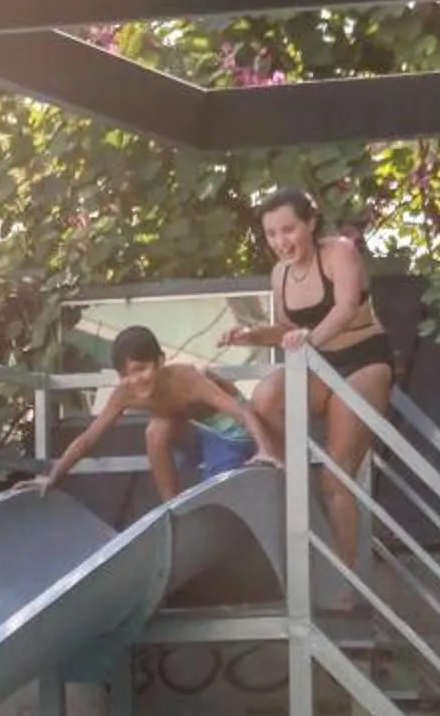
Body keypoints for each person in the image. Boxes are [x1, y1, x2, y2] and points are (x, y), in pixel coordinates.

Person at [226, 186, 395, 567]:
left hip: (363, 361)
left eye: (288, 230)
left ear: (311, 223)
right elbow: (287, 328)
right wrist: (251, 334)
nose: (280, 242)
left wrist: (309, 343)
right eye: (271, 234)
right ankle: (291, 482)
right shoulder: (279, 274)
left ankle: (346, 584)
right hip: (318, 364)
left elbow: (348, 307)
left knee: (336, 479)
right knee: (266, 396)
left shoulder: (339, 253)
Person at [36, 325, 277, 504]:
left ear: (160, 361)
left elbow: (242, 411)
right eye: (126, 374)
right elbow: (89, 438)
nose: (135, 380)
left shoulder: (186, 378)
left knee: (219, 496)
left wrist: (266, 450)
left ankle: (217, 488)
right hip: (198, 434)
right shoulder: (127, 393)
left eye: (141, 369)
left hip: (231, 434)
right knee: (155, 430)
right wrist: (52, 477)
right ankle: (172, 507)